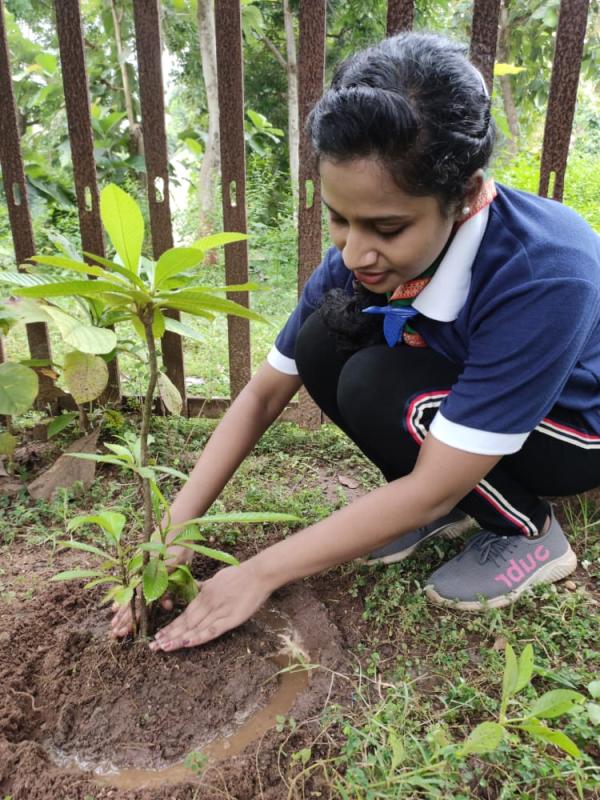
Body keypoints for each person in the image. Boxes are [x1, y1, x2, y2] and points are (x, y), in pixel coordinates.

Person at [112, 32, 600, 651]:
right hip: (470, 398)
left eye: (387, 227)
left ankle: (530, 531)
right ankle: (452, 511)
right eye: (339, 218)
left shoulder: (545, 271)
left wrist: (258, 574)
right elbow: (264, 395)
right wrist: (173, 527)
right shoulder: (360, 255)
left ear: (469, 195)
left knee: (377, 388)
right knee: (323, 344)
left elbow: (433, 482)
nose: (355, 251)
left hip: (575, 427)